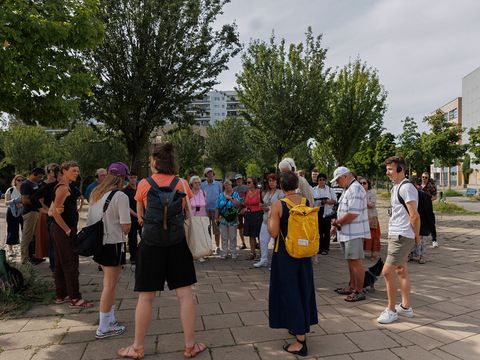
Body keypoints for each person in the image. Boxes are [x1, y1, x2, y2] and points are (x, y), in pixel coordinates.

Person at [118, 143, 205, 359]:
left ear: (155, 162)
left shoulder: (144, 184)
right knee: (185, 296)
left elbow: (140, 213)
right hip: (177, 245)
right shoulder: (183, 184)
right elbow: (187, 212)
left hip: (151, 245)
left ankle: (137, 347)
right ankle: (189, 346)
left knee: (145, 298)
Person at [268, 171, 318, 357]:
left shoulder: (278, 205)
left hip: (286, 255)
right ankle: (300, 325)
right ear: (296, 184)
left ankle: (300, 341)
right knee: (303, 290)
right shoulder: (306, 202)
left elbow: (273, 233)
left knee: (290, 293)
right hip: (304, 254)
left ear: (281, 187)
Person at [87, 162, 131, 339]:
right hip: (113, 242)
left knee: (109, 284)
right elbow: (126, 226)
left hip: (100, 243)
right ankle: (104, 326)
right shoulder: (120, 196)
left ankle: (110, 320)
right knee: (109, 285)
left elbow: (90, 220)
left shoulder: (96, 193)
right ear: (121, 178)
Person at [377, 156, 420, 324]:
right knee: (401, 270)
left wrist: (416, 237)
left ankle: (391, 309)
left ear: (400, 169)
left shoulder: (406, 188)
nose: (387, 172)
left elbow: (414, 216)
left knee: (387, 272)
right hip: (398, 234)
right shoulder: (397, 187)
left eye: (390, 169)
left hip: (402, 236)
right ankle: (406, 307)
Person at [51, 161, 93, 308]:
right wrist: (68, 230)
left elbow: (53, 210)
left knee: (61, 263)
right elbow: (55, 213)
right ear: (64, 171)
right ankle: (75, 298)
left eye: (77, 171)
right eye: (74, 170)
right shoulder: (63, 188)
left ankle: (61, 294)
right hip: (63, 230)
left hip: (60, 230)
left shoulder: (66, 187)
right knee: (70, 263)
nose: (76, 173)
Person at [331, 166, 370, 302]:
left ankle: (359, 290)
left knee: (356, 261)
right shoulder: (348, 189)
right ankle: (353, 286)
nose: (337, 183)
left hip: (354, 232)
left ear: (345, 176)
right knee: (351, 261)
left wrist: (338, 223)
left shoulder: (355, 189)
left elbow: (353, 213)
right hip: (348, 232)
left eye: (338, 180)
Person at [33, 163, 60, 272]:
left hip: (58, 215)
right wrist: (47, 209)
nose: (54, 172)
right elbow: (35, 199)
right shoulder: (42, 185)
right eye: (52, 170)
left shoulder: (59, 184)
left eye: (56, 170)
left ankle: (56, 264)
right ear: (48, 172)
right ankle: (54, 266)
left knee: (56, 241)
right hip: (48, 215)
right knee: (50, 241)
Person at [255, 173, 283, 268]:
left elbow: (281, 206)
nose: (271, 183)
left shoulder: (280, 193)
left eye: (273, 181)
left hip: (275, 221)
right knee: (262, 240)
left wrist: (269, 208)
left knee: (276, 242)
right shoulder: (267, 192)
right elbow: (265, 204)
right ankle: (264, 260)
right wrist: (262, 206)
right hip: (265, 219)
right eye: (270, 181)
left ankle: (276, 263)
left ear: (277, 182)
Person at [20, 167, 46, 264]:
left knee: (32, 236)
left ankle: (31, 257)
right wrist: (37, 203)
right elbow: (24, 200)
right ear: (34, 174)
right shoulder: (26, 184)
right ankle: (24, 259)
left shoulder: (35, 184)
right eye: (39, 176)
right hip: (29, 212)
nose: (40, 178)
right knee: (27, 236)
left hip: (35, 212)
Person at [215, 179, 242, 259]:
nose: (227, 186)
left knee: (233, 236)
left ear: (231, 185)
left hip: (233, 218)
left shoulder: (235, 194)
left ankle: (233, 252)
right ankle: (224, 253)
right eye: (226, 185)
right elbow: (217, 207)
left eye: (229, 185)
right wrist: (216, 218)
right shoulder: (220, 195)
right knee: (224, 237)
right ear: (224, 186)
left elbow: (238, 205)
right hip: (223, 219)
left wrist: (231, 198)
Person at [312, 173, 337, 256]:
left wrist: (326, 201)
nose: (322, 181)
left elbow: (334, 201)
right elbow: (311, 200)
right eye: (320, 180)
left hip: (326, 211)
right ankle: (318, 247)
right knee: (318, 230)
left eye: (323, 180)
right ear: (317, 181)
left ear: (325, 181)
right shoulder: (313, 189)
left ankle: (325, 248)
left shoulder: (330, 190)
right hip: (317, 211)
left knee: (326, 230)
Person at [359, 177, 381, 261]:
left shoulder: (372, 192)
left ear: (368, 184)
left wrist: (363, 198)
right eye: (360, 183)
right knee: (361, 236)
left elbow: (371, 204)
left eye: (364, 183)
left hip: (371, 216)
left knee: (374, 237)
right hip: (361, 217)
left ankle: (373, 254)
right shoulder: (357, 193)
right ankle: (361, 253)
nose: (362, 185)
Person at [200, 167, 222, 253]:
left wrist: (220, 209)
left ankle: (217, 247)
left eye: (211, 173)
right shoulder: (202, 185)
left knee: (216, 229)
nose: (210, 175)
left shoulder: (218, 184)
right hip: (205, 210)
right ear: (205, 175)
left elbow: (221, 196)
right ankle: (209, 247)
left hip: (215, 209)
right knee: (207, 229)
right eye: (208, 173)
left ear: (213, 174)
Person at [242, 177, 264, 260]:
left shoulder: (259, 192)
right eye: (246, 182)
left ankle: (262, 253)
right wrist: (244, 208)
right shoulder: (246, 192)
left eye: (249, 182)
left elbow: (264, 203)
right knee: (251, 235)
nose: (247, 184)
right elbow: (245, 203)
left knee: (259, 235)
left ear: (254, 183)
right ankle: (252, 253)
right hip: (249, 215)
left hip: (258, 214)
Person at [123, 172, 142, 265]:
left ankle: (143, 255)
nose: (133, 179)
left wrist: (141, 215)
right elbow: (126, 206)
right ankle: (133, 257)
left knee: (145, 237)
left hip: (142, 217)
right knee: (132, 238)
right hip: (131, 218)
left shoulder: (141, 188)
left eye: (134, 177)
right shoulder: (125, 191)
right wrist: (136, 215)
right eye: (131, 178)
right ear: (128, 178)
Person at [4, 175, 24, 258]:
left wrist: (22, 204)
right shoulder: (11, 189)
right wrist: (15, 203)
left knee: (25, 230)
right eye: (18, 180)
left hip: (23, 212)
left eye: (22, 180)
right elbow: (6, 202)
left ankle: (24, 249)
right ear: (15, 181)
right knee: (11, 230)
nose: (20, 181)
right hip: (11, 212)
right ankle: (10, 250)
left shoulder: (25, 189)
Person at [189, 175, 208, 263]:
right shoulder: (188, 193)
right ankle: (192, 255)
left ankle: (200, 254)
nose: (197, 184)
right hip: (192, 218)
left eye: (198, 183)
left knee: (201, 237)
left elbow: (205, 205)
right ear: (191, 184)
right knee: (193, 237)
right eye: (195, 183)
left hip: (202, 218)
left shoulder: (203, 192)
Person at [421, 171, 438, 248]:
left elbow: (435, 196)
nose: (424, 179)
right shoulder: (419, 186)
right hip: (420, 208)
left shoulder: (431, 186)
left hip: (428, 207)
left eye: (426, 177)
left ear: (428, 178)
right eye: (423, 177)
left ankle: (434, 239)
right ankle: (420, 239)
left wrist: (428, 200)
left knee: (431, 223)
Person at [233, 174, 248, 250]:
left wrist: (245, 206)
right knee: (240, 227)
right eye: (237, 180)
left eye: (240, 179)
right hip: (237, 210)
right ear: (235, 181)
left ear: (242, 179)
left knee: (250, 224)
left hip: (246, 208)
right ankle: (243, 243)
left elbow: (249, 197)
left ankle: (255, 242)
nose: (239, 181)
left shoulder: (246, 187)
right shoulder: (234, 189)